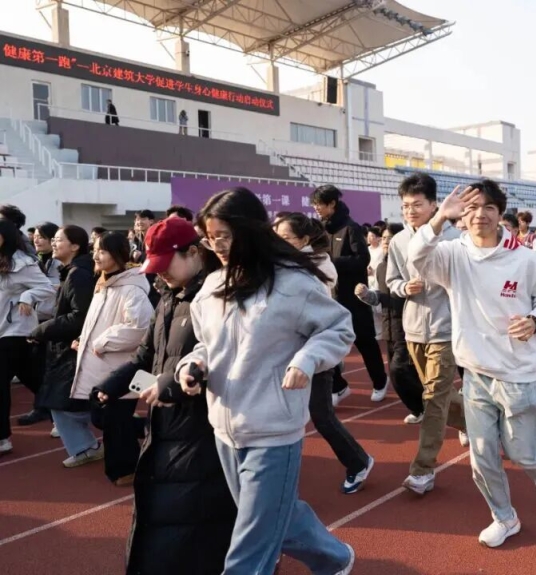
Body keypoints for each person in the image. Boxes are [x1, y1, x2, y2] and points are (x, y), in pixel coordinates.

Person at [175, 187, 355, 574]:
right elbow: (206, 344)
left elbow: (338, 328)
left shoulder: (293, 283)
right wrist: (193, 366)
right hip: (224, 427)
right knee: (277, 519)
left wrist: (306, 359)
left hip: (273, 431)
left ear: (250, 230)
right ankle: (336, 558)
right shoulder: (212, 286)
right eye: (210, 237)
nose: (216, 245)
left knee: (251, 542)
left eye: (224, 235)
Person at [408, 181, 536, 548]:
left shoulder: (524, 258)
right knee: (482, 456)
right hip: (475, 373)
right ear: (462, 214)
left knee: (523, 452)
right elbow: (417, 257)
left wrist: (535, 321)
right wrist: (438, 218)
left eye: (488, 207)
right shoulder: (452, 254)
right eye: (472, 208)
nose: (480, 214)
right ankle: (504, 517)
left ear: (500, 213)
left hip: (517, 373)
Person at [94, 217, 236, 575]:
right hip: (164, 424)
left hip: (206, 427)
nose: (161, 273)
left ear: (194, 253)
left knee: (195, 518)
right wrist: (113, 384)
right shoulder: (168, 298)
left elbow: (223, 362)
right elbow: (148, 356)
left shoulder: (217, 298)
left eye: (166, 264)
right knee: (162, 514)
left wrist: (172, 385)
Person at [273, 212, 374, 494]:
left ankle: (358, 462)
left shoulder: (317, 266)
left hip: (315, 350)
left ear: (303, 239)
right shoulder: (283, 264)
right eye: (275, 237)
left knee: (321, 416)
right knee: (285, 416)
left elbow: (317, 310)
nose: (278, 243)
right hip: (287, 352)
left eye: (285, 238)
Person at [386, 172, 468, 495]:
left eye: (417, 204)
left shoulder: (455, 239)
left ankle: (423, 470)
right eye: (405, 205)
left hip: (445, 330)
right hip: (413, 330)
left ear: (434, 205)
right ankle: (481, 424)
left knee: (433, 399)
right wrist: (404, 287)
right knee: (438, 395)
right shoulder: (398, 241)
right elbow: (391, 280)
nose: (410, 211)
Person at [65, 232, 153, 482]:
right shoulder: (105, 284)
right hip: (102, 365)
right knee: (105, 417)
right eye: (95, 250)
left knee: (114, 419)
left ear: (118, 255)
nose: (96, 255)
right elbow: (96, 322)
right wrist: (84, 339)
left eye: (102, 251)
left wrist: (102, 342)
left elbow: (140, 327)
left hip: (120, 367)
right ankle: (148, 431)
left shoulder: (131, 288)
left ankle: (125, 470)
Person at [311, 184, 388, 404]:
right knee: (327, 343)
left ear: (332, 204)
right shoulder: (321, 229)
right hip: (330, 298)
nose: (316, 208)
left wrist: (332, 262)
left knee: (365, 342)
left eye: (319, 204)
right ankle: (339, 387)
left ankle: (380, 381)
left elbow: (362, 259)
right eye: (314, 204)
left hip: (353, 298)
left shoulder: (351, 228)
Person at [30, 226, 98, 465]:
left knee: (64, 403)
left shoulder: (78, 274)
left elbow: (80, 315)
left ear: (75, 246)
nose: (53, 243)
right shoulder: (72, 271)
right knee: (67, 402)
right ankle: (87, 446)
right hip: (67, 347)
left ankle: (88, 447)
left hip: (73, 348)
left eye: (58, 239)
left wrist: (43, 330)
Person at [354, 222, 425, 424]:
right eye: (384, 238)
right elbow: (382, 298)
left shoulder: (410, 265)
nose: (386, 241)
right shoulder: (381, 267)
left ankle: (429, 408)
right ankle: (421, 409)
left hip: (409, 326)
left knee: (399, 371)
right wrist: (366, 295)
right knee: (402, 373)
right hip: (389, 327)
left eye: (390, 238)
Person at [0, 219, 55, 455]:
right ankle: (68, 409)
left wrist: (27, 297)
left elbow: (47, 287)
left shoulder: (22, 262)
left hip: (16, 331)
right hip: (3, 330)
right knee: (35, 378)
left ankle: (2, 438)